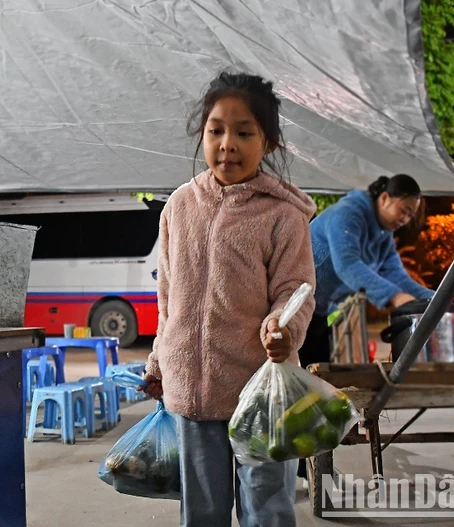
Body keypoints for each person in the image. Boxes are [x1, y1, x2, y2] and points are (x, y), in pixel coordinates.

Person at [138, 71, 316, 527]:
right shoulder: (179, 206)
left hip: (262, 393)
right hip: (194, 395)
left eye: (244, 132)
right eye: (215, 130)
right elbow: (168, 296)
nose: (227, 144)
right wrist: (160, 361)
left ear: (269, 142)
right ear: (203, 135)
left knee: (268, 512)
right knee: (202, 513)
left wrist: (283, 329)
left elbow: (295, 292)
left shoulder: (283, 215)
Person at [295, 174, 434, 479]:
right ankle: (295, 465)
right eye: (405, 210)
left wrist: (439, 298)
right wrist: (393, 296)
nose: (406, 219)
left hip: (317, 314)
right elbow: (348, 265)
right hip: (290, 307)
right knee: (299, 389)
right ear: (384, 198)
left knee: (321, 386)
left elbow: (397, 274)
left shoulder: (381, 235)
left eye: (412, 214)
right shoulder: (350, 213)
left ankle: (309, 466)